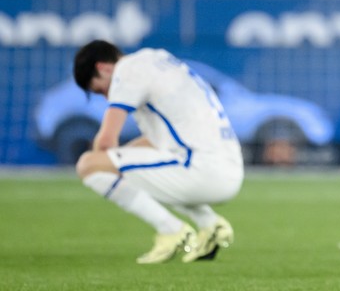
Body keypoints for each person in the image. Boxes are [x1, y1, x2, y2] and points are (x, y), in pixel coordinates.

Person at [73, 40, 244, 264]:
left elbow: (106, 143)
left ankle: (171, 230)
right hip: (227, 167)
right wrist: (120, 160)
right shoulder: (158, 59)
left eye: (100, 90)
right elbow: (156, 143)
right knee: (143, 165)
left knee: (88, 164)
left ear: (103, 68)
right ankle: (210, 224)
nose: (106, 97)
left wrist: (103, 161)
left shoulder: (128, 71)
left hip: (201, 169)